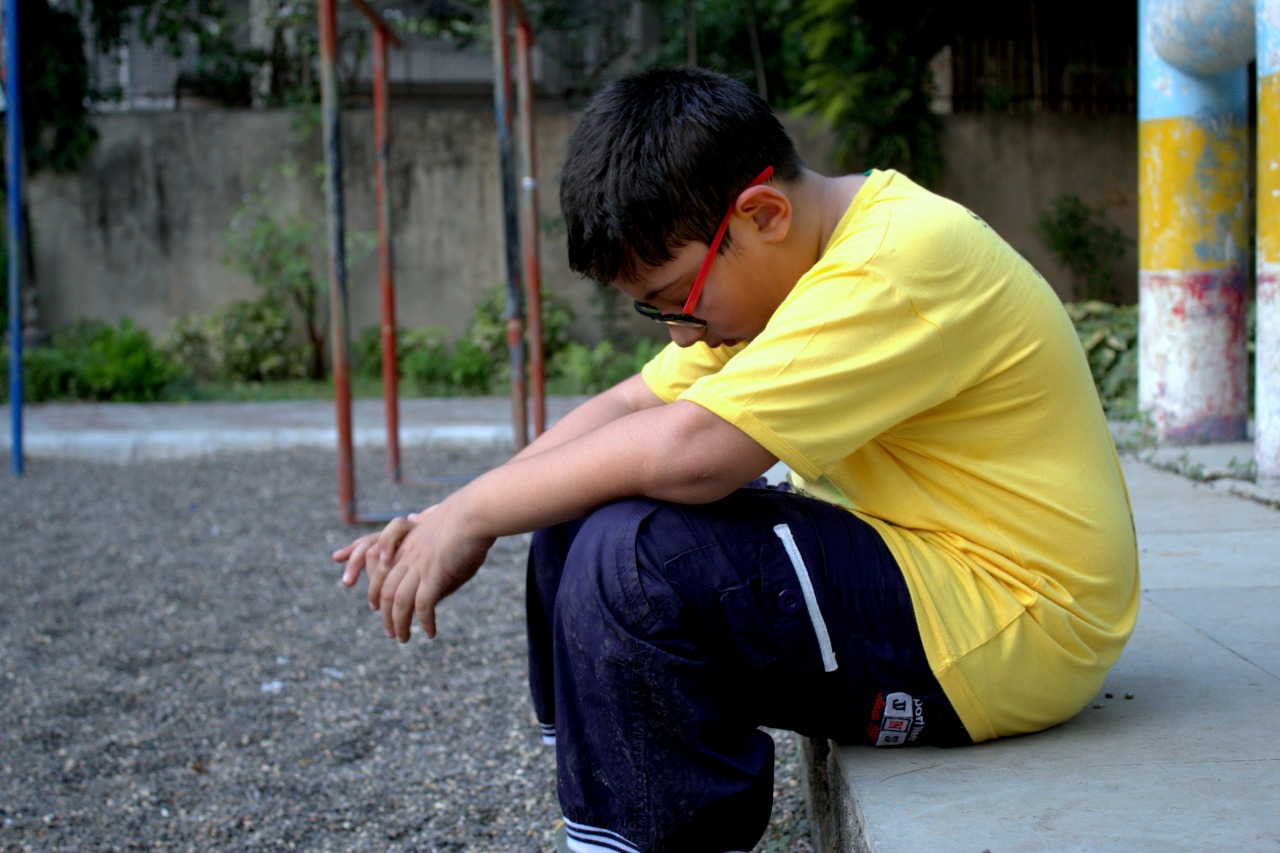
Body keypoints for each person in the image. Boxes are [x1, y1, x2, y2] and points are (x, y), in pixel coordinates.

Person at [332, 66, 1139, 853]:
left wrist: (474, 514)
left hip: (1020, 622)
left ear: (762, 214)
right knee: (571, 504)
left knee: (637, 560)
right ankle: (611, 799)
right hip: (926, 565)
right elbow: (629, 407)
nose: (680, 334)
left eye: (679, 300)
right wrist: (454, 511)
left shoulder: (898, 261)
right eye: (655, 311)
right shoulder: (795, 261)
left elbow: (693, 453)